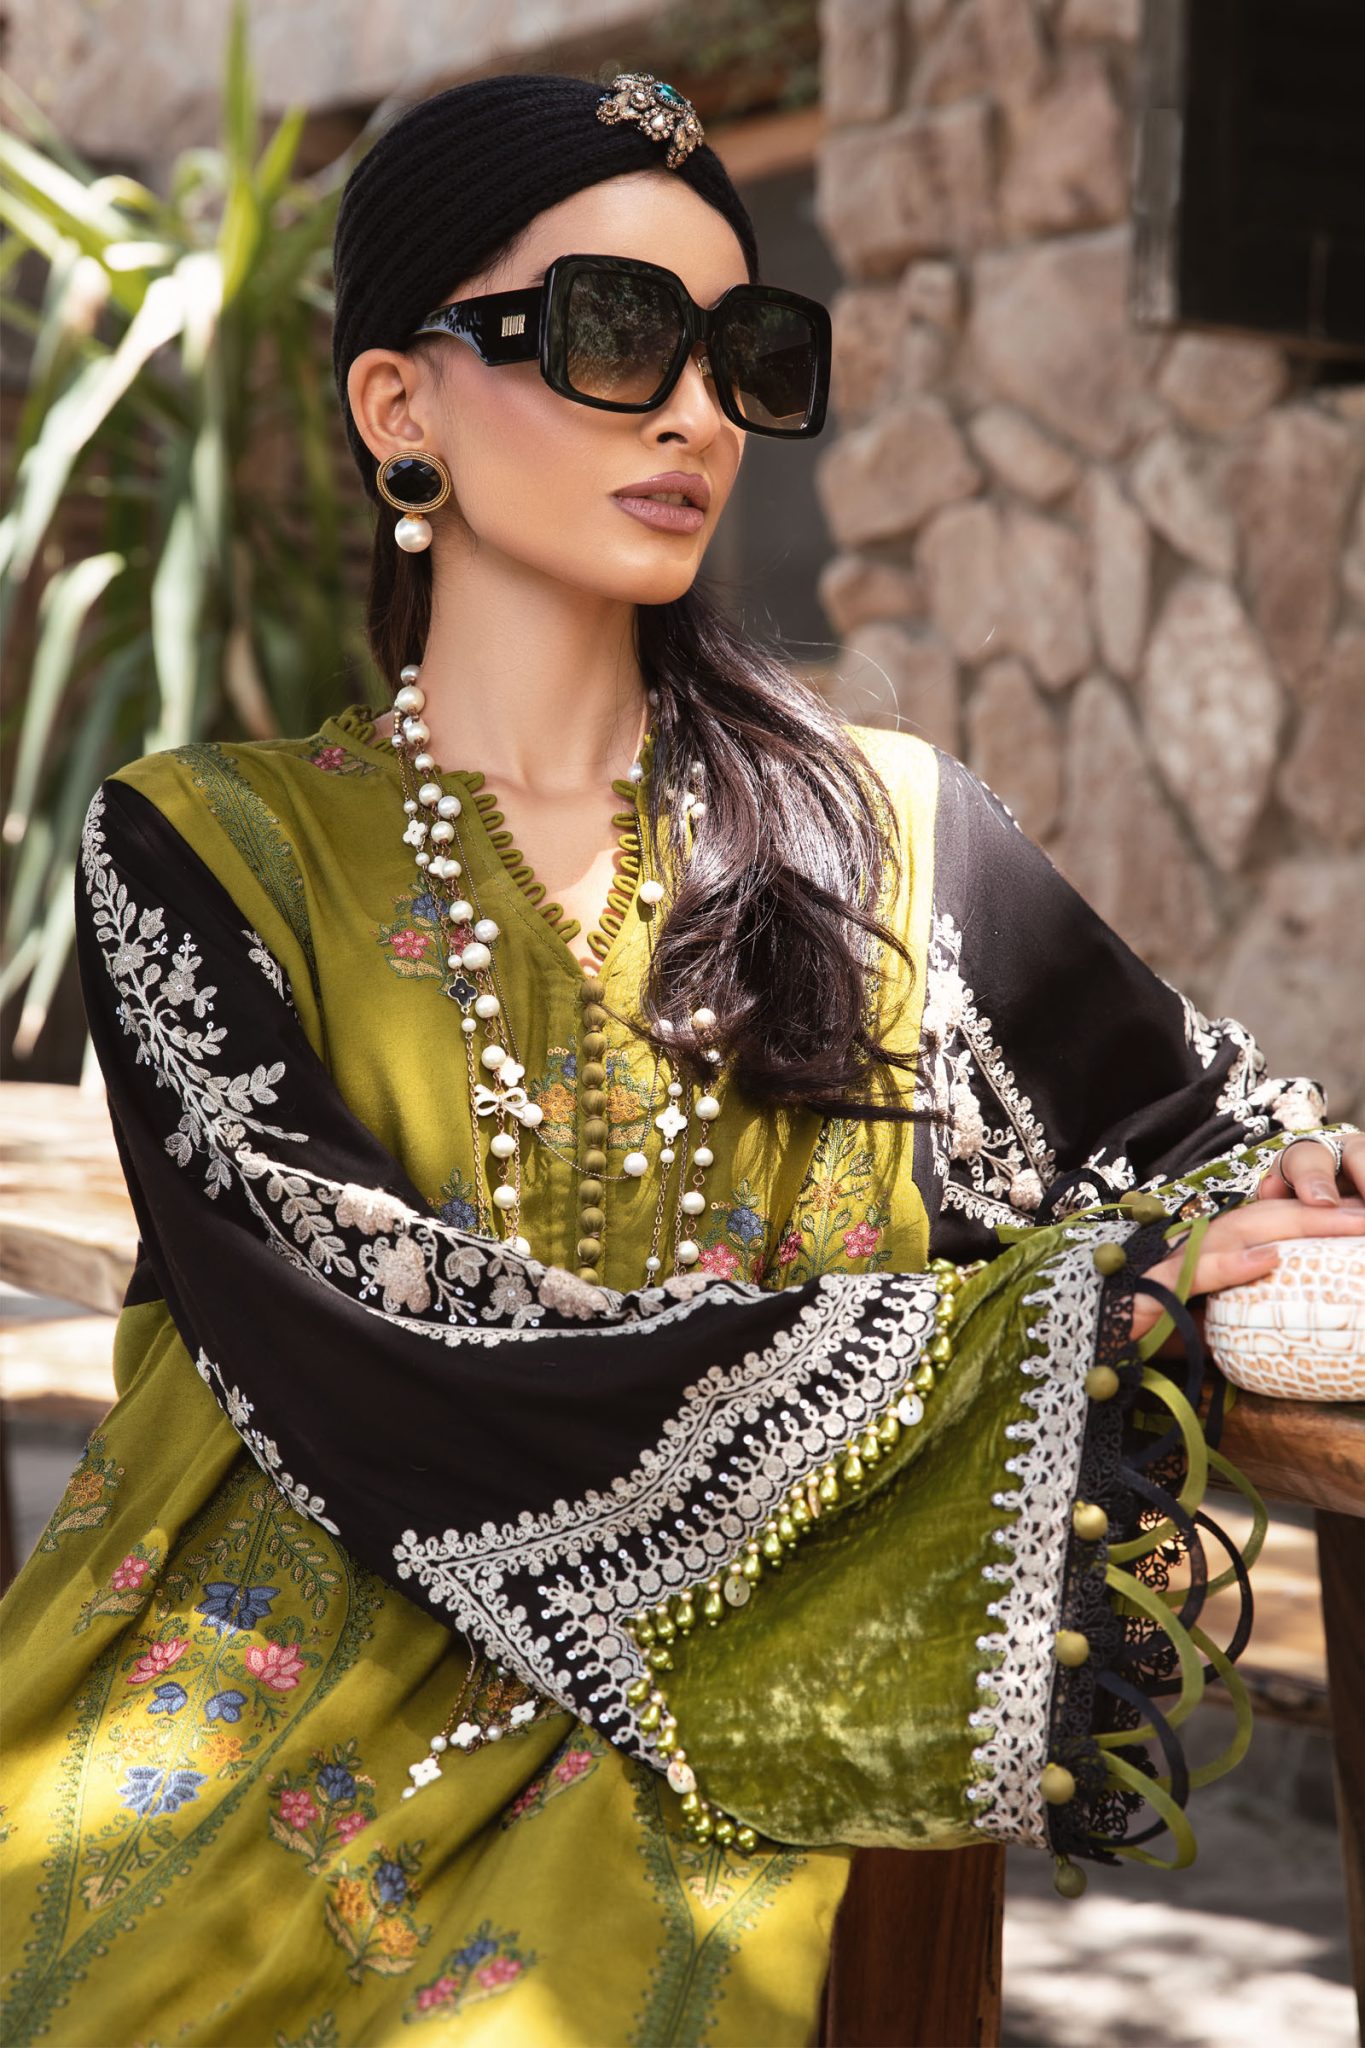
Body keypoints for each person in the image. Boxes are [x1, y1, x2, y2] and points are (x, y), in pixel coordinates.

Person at [2, 71, 1361, 2048]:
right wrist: (1091, 1297)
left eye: (746, 351)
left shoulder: (890, 840)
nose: (699, 411)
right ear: (397, 405)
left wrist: (1256, 1202)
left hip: (702, 1766)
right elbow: (364, 1336)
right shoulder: (202, 848)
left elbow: (1197, 1142)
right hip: (219, 1720)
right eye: (615, 331)